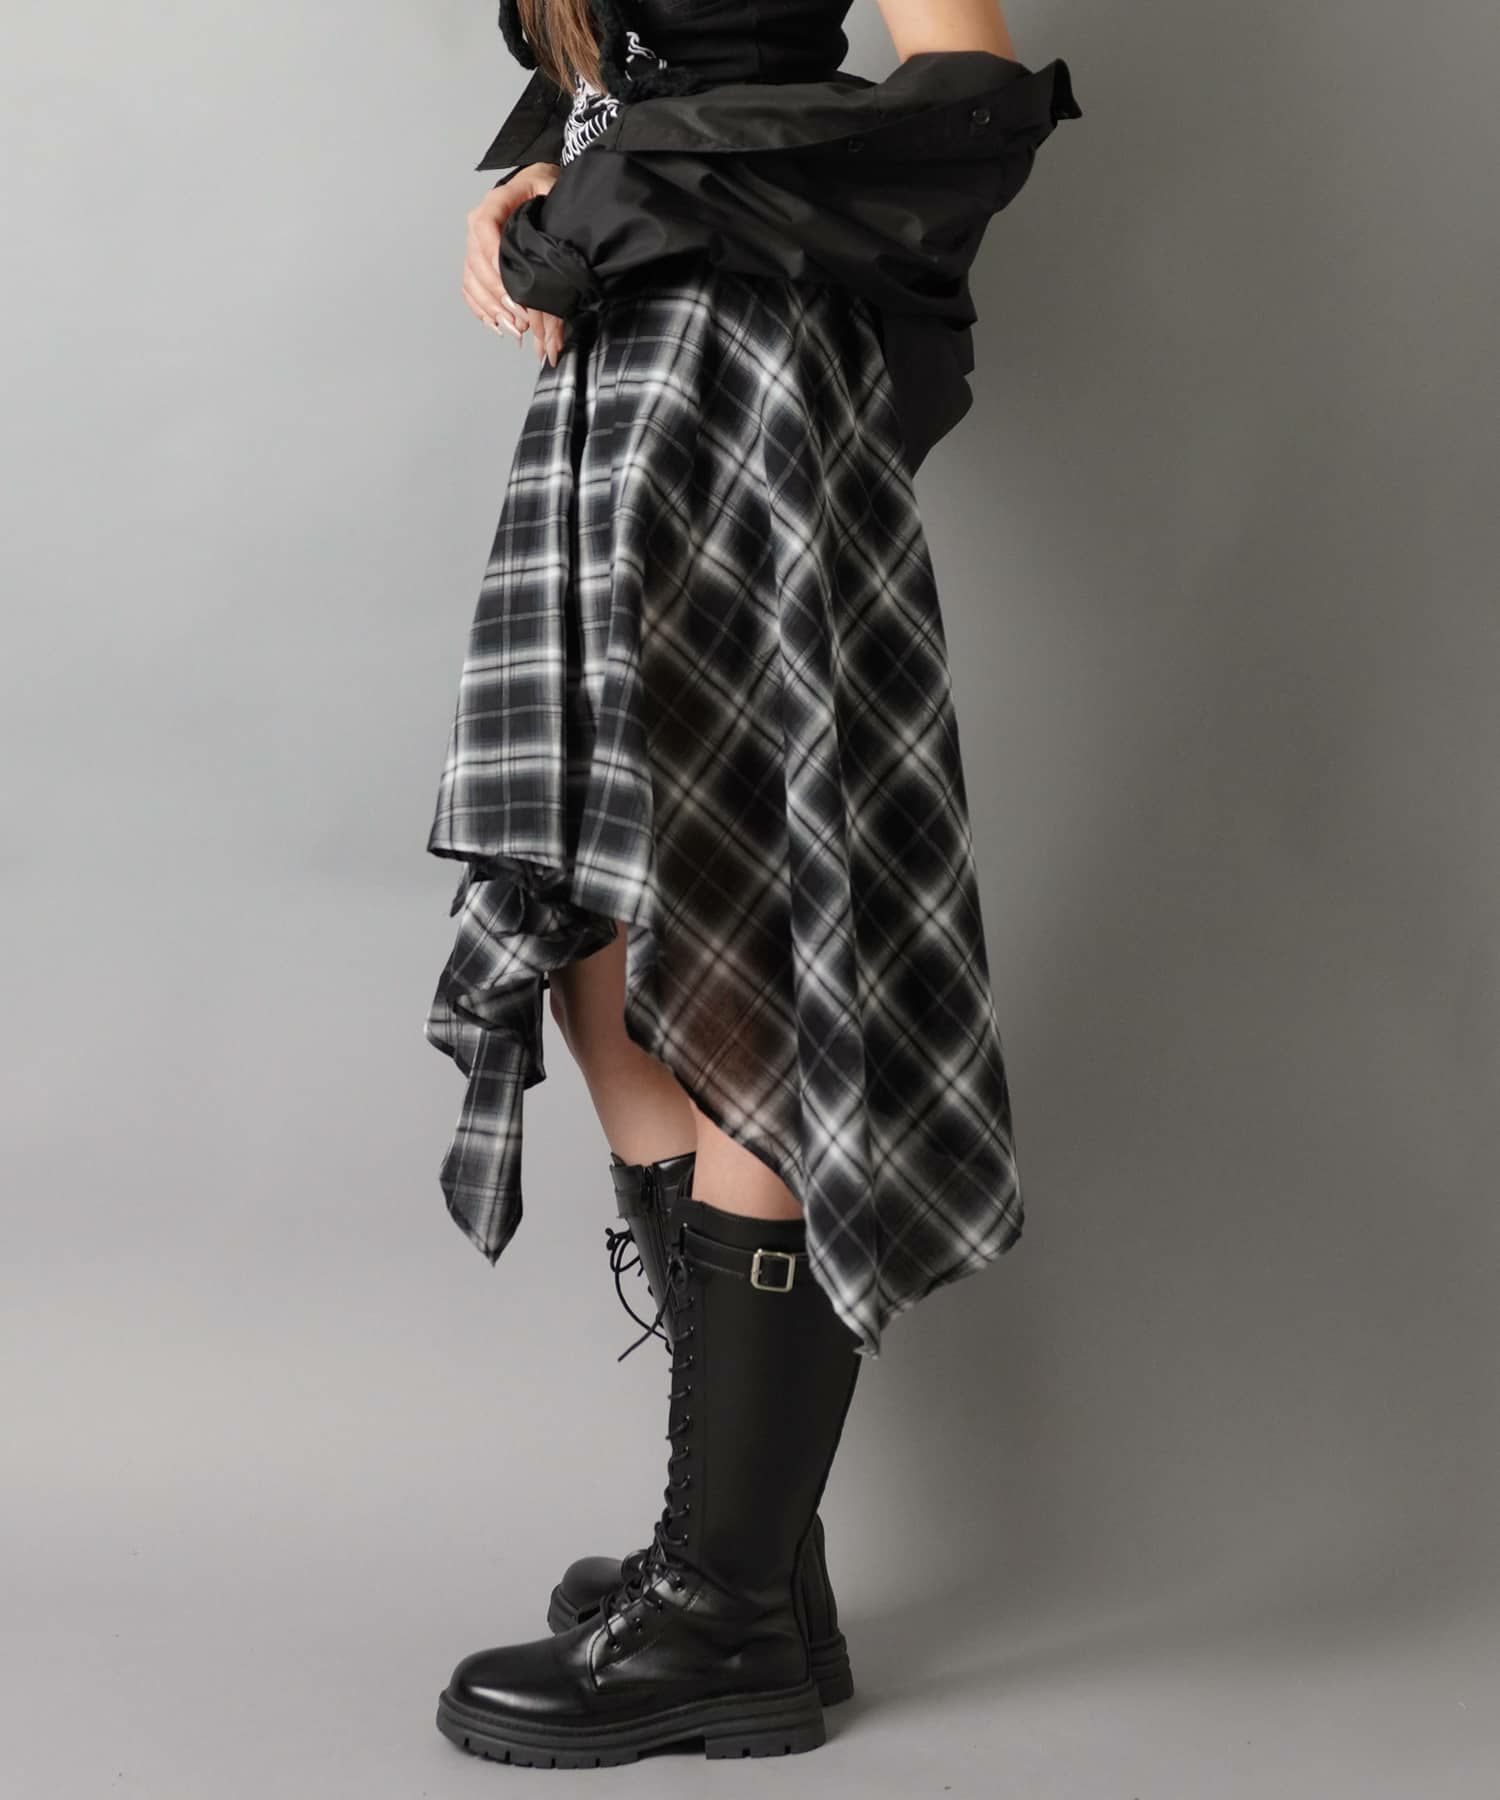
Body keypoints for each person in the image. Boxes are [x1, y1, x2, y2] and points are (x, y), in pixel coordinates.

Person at [423, 0, 1081, 1767]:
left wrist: (648, 177)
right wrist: (545, 184)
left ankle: (718, 1612)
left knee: (751, 941)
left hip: (748, 369)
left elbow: (970, 96)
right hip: (626, 375)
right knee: (609, 956)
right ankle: (752, 1560)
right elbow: (636, 78)